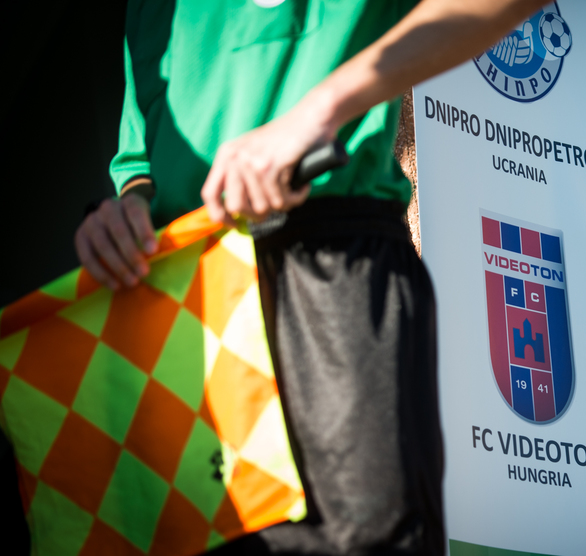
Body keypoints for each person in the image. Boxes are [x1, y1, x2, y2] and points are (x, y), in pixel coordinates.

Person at [73, 0, 545, 553]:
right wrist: (127, 209)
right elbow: (139, 161)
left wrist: (316, 113)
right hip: (183, 299)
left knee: (364, 540)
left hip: (327, 268)